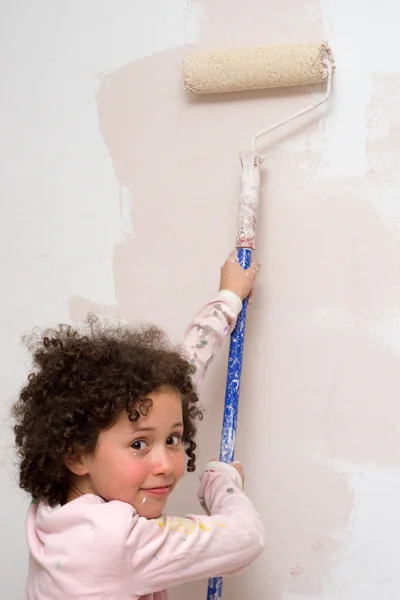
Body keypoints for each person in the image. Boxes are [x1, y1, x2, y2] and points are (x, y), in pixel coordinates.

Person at [12, 251, 264, 600]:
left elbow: (178, 381)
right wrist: (222, 483)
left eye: (174, 438)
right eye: (138, 445)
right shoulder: (115, 540)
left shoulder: (54, 511)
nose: (164, 465)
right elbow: (247, 537)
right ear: (76, 454)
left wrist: (228, 299)